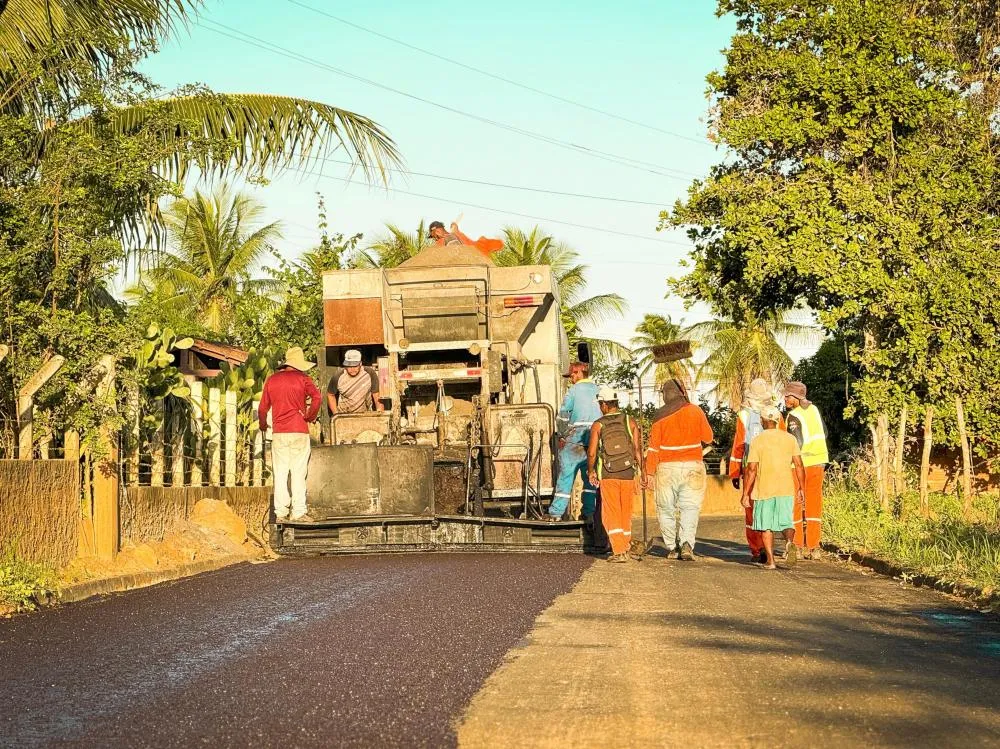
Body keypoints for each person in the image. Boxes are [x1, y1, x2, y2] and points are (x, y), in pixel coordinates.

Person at [645, 378, 714, 561]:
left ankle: (672, 547)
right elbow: (708, 437)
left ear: (665, 395)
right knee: (690, 507)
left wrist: (649, 473)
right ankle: (686, 544)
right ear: (682, 393)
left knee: (665, 509)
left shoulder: (659, 416)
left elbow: (653, 448)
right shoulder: (695, 410)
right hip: (693, 466)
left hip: (666, 468)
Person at [258, 346, 322, 523]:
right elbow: (317, 398)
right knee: (298, 472)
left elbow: (262, 409)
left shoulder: (272, 380)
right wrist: (309, 416)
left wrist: (263, 425)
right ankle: (298, 512)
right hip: (299, 431)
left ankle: (280, 513)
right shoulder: (303, 379)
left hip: (279, 433)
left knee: (280, 472)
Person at [740, 405, 806, 569]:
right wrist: (801, 488)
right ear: (777, 420)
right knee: (786, 522)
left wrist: (745, 493)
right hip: (786, 488)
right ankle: (789, 542)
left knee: (766, 526)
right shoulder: (790, 439)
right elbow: (799, 465)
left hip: (764, 490)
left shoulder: (757, 441)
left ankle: (771, 561)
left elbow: (752, 469)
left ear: (762, 420)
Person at [729, 378, 784, 563]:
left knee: (751, 509)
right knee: (771, 507)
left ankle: (757, 549)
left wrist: (734, 472)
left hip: (750, 468)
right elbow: (784, 440)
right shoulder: (776, 415)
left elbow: (739, 445)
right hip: (774, 468)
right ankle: (769, 548)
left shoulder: (744, 415)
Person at [587, 386, 643, 563]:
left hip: (608, 474)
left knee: (611, 513)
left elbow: (592, 453)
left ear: (604, 404)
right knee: (625, 512)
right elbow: (637, 449)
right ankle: (625, 546)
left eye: (600, 404)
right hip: (628, 473)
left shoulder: (598, 424)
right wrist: (642, 472)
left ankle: (619, 551)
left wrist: (591, 471)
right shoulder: (629, 421)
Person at [546, 361, 601, 521]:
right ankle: (589, 513)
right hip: (594, 439)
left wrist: (562, 436)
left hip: (574, 440)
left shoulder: (574, 390)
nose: (571, 378)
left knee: (566, 476)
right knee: (590, 477)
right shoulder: (598, 390)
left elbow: (563, 415)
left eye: (572, 375)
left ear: (579, 373)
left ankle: (556, 513)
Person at [783, 381, 829, 559]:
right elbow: (825, 433)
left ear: (796, 397)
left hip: (800, 466)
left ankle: (797, 546)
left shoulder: (793, 416)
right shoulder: (814, 410)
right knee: (814, 504)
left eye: (787, 396)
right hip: (819, 462)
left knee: (796, 503)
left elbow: (797, 443)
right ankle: (814, 547)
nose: (785, 399)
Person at [327, 349, 384, 415]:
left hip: (365, 415)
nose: (352, 369)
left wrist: (380, 414)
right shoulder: (338, 375)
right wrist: (336, 414)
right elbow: (330, 395)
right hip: (344, 415)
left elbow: (377, 395)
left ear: (360, 364)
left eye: (355, 365)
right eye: (349, 366)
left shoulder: (369, 373)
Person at [428, 219, 504, 256]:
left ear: (437, 231)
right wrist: (455, 230)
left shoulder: (442, 241)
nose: (435, 239)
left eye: (434, 236)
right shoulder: (458, 235)